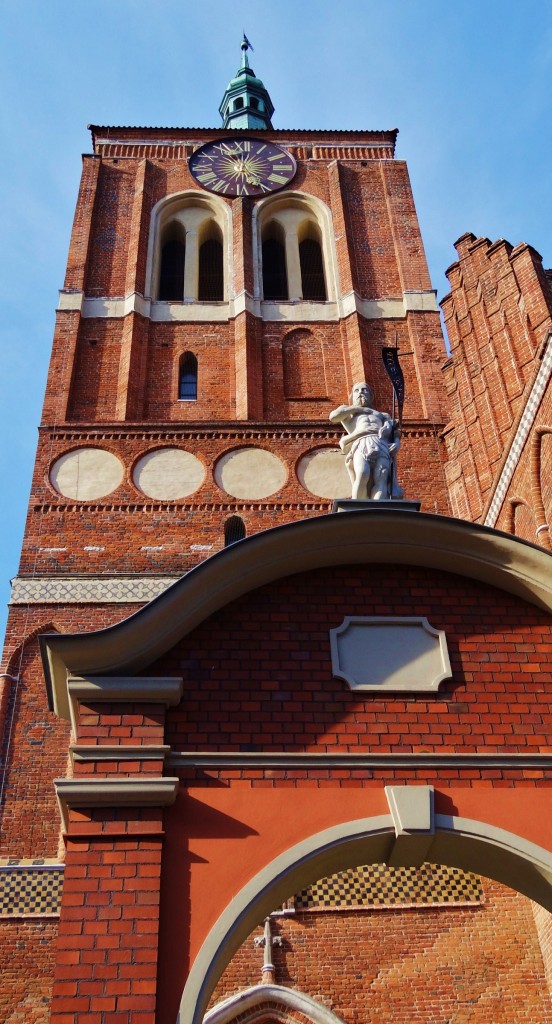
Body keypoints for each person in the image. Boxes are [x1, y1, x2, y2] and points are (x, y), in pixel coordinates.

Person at [329, 382, 403, 500]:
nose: (361, 392)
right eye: (357, 391)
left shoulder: (383, 415)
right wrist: (359, 409)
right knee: (363, 473)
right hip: (361, 442)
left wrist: (397, 443)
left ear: (371, 395)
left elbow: (395, 432)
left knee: (382, 475)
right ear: (352, 396)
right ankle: (358, 506)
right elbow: (333, 417)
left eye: (364, 390)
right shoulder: (349, 412)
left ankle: (378, 506)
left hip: (381, 443)